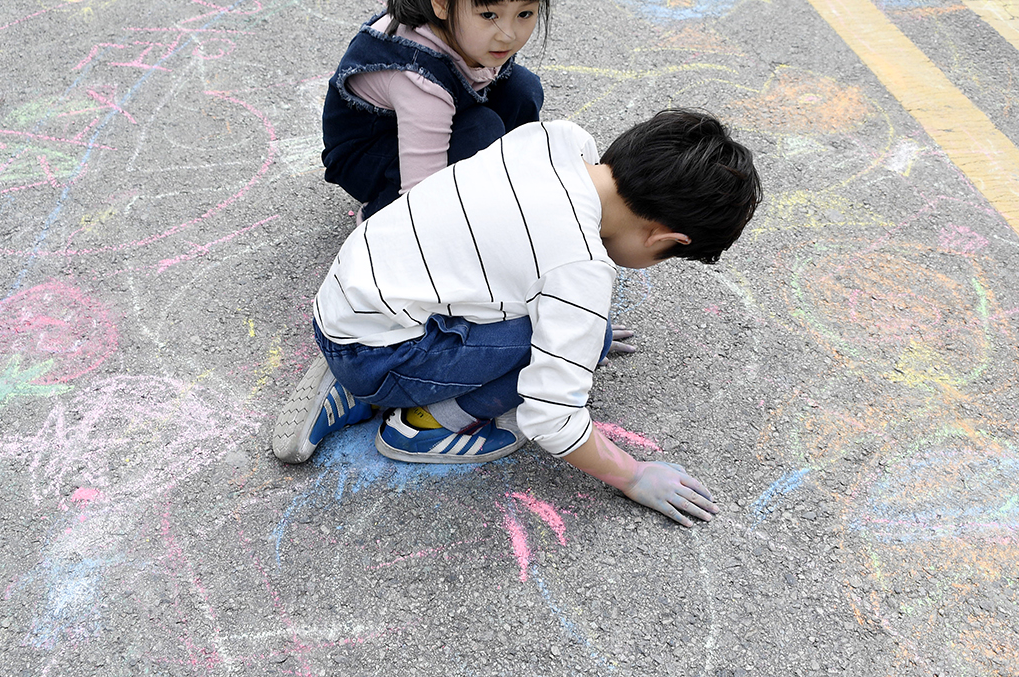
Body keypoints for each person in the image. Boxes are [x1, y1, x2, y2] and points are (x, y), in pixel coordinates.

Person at [272, 108, 763, 527]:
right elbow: (551, 418)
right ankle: (424, 425)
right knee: (565, 345)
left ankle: (349, 384)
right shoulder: (579, 269)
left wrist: (584, 332)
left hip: (347, 306)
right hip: (381, 353)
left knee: (582, 333)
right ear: (665, 239)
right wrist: (634, 476)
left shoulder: (557, 140)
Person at [321, 0, 551, 219]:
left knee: (522, 89)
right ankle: (379, 213)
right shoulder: (419, 78)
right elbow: (420, 193)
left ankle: (503, 186)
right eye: (489, 14)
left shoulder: (475, 34)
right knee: (481, 130)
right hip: (370, 152)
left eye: (525, 13)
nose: (508, 34)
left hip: (429, 116)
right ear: (441, 1)